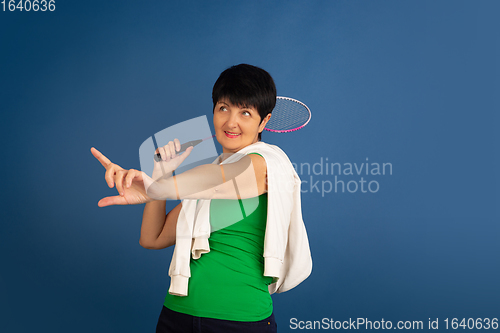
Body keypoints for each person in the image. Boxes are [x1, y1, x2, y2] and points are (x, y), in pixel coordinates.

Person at [91, 64, 312, 333]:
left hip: (239, 320)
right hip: (176, 315)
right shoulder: (199, 190)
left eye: (245, 112)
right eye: (223, 108)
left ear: (263, 121)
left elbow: (219, 180)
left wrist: (160, 187)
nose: (231, 122)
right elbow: (152, 238)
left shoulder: (265, 163)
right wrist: (160, 179)